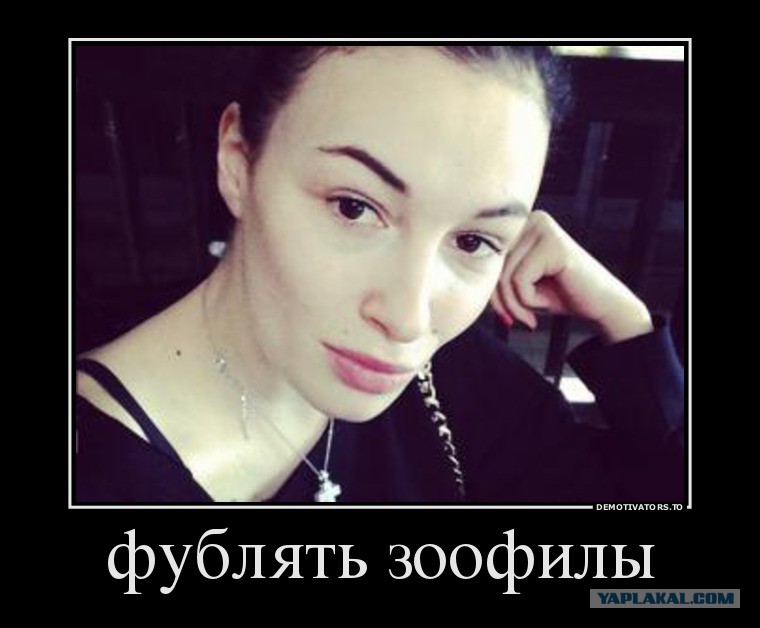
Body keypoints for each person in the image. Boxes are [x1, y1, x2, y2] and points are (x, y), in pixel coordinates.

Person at [75, 45, 684, 503]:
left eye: (473, 240)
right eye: (353, 207)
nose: (408, 319)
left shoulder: (443, 374)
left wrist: (624, 320)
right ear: (239, 163)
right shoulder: (99, 472)